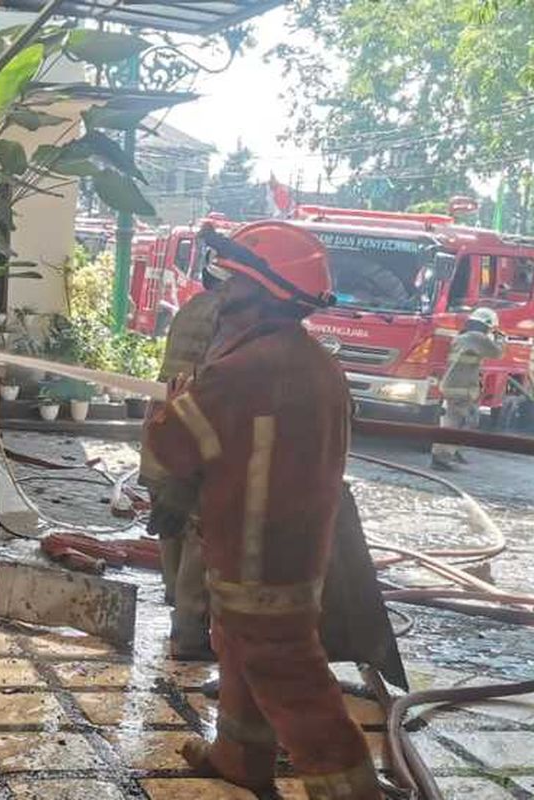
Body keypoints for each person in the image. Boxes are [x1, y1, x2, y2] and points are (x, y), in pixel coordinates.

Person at [144, 221, 380, 799]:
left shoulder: (241, 372)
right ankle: (240, 756)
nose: (221, 294)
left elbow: (173, 445)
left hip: (253, 554)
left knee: (286, 671)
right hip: (296, 551)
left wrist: (176, 399)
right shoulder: (317, 364)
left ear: (260, 293)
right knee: (239, 644)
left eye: (230, 282)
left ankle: (349, 788)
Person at [139, 242, 228, 660]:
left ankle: (175, 600)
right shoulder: (227, 318)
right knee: (197, 529)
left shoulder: (190, 309)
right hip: (192, 430)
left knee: (168, 523)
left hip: (162, 424)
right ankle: (189, 634)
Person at [432, 307, 504, 471]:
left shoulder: (463, 336)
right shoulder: (477, 338)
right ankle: (441, 458)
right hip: (461, 389)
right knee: (454, 423)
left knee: (459, 421)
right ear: (486, 325)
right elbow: (497, 353)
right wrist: (499, 338)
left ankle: (452, 452)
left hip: (455, 386)